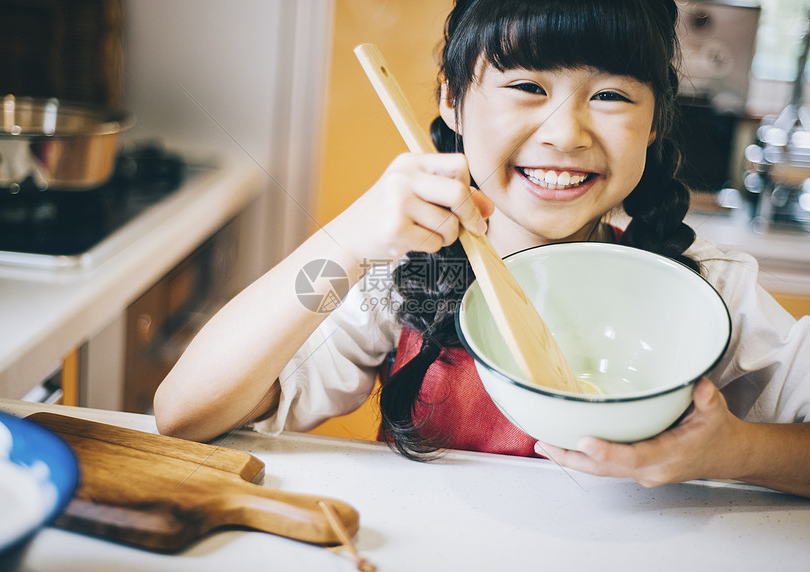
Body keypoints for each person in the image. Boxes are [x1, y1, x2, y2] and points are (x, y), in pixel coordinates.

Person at [154, 0, 810, 497]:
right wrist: (344, 241)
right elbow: (186, 412)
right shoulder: (390, 280)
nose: (565, 133)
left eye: (610, 95)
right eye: (527, 86)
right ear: (452, 100)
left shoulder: (711, 291)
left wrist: (733, 451)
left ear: (656, 121)